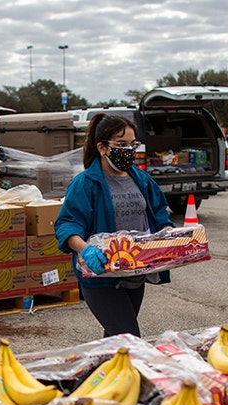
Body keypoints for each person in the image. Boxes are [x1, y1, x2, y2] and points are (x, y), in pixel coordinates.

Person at [55, 114, 173, 338]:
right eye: (121, 145)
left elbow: (159, 213)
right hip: (101, 276)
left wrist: (168, 234)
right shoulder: (86, 184)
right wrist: (85, 249)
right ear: (102, 147)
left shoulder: (142, 179)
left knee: (115, 340)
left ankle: (101, 372)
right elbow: (67, 224)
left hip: (135, 274)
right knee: (128, 337)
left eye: (132, 144)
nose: (128, 150)